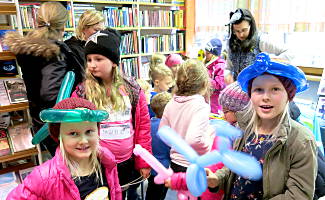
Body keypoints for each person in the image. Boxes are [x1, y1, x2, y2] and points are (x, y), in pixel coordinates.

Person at [206, 52, 317, 199]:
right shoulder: (244, 129)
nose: (265, 97)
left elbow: (299, 195)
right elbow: (234, 168)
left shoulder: (301, 141)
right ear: (250, 94)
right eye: (258, 89)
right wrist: (217, 179)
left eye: (275, 89)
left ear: (289, 95)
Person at [71, 28, 151, 200]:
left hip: (127, 161)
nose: (92, 64)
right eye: (89, 59)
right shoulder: (83, 92)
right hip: (98, 163)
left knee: (126, 192)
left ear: (114, 61)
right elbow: (75, 128)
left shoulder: (133, 90)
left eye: (99, 59)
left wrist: (144, 161)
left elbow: (143, 128)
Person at [4, 2, 83, 156]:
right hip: (61, 122)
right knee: (73, 169)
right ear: (63, 26)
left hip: (40, 119)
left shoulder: (28, 48)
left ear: (36, 21)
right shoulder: (55, 52)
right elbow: (51, 94)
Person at [7, 97, 122, 200]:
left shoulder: (107, 161)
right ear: (59, 135)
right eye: (73, 133)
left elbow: (115, 191)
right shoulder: (44, 177)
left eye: (89, 131)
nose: (83, 140)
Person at [160, 59, 215, 173]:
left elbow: (163, 133)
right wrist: (209, 139)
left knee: (180, 191)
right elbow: (194, 140)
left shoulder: (171, 102)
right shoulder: (200, 105)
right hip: (194, 165)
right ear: (204, 84)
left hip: (175, 163)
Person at [225, 8, 293, 83]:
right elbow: (228, 68)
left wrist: (271, 61)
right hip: (238, 87)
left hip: (257, 88)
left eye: (244, 30)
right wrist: (228, 75)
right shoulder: (231, 43)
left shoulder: (261, 40)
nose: (241, 34)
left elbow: (290, 53)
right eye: (237, 31)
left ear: (251, 26)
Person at [145, 92, 172, 200]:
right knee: (159, 194)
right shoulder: (167, 129)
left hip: (149, 167)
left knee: (152, 191)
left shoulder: (148, 124)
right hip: (163, 168)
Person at [204, 38, 226, 114]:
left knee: (215, 119)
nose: (205, 55)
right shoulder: (207, 64)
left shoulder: (220, 66)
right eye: (205, 52)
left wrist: (205, 78)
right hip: (207, 98)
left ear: (214, 54)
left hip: (216, 102)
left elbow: (219, 85)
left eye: (208, 53)